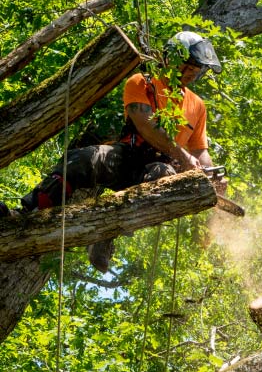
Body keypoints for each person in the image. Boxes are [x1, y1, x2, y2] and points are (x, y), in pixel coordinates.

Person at [0, 31, 225, 271]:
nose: (191, 72)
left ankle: (107, 234)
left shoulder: (197, 105)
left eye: (197, 68)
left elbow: (200, 149)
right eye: (188, 65)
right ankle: (28, 213)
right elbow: (146, 125)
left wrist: (210, 173)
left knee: (164, 174)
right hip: (127, 157)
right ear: (170, 57)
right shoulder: (143, 82)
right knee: (81, 159)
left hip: (160, 168)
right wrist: (185, 156)